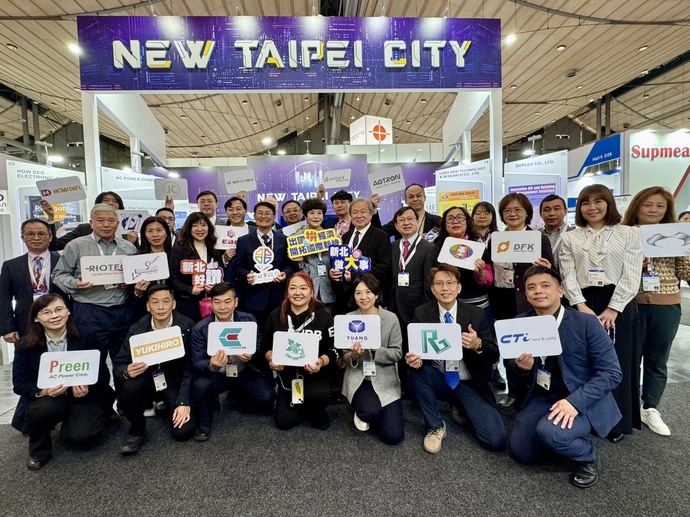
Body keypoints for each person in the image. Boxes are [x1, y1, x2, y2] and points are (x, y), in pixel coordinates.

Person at [509, 266, 622, 489]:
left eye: (545, 285)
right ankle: (558, 441)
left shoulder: (586, 323)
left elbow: (612, 373)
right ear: (526, 295)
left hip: (581, 399)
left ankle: (587, 456)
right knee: (521, 452)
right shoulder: (521, 322)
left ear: (560, 291)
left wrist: (574, 403)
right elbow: (512, 371)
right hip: (543, 396)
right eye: (531, 287)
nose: (538, 291)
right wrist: (522, 368)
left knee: (551, 433)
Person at [558, 184, 643, 443]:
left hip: (619, 302)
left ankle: (618, 422)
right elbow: (567, 274)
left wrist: (613, 308)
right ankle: (584, 413)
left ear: (609, 203)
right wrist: (581, 305)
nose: (592, 207)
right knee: (582, 361)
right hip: (581, 302)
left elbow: (632, 273)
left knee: (617, 362)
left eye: (598, 201)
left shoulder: (629, 233)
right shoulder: (571, 237)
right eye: (586, 203)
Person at [405, 265, 506, 454]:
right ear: (432, 289)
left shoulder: (475, 314)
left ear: (459, 288)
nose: (445, 288)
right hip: (439, 377)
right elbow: (417, 351)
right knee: (416, 373)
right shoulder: (422, 313)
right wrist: (415, 359)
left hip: (468, 381)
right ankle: (435, 427)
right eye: (439, 284)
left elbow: (494, 354)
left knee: (496, 441)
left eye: (450, 283)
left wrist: (477, 343)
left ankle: (460, 404)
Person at [12, 294, 115, 469]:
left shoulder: (87, 334)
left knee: (81, 437)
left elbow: (102, 372)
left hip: (82, 396)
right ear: (36, 318)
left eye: (59, 309)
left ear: (68, 311)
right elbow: (20, 384)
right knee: (43, 410)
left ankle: (85, 420)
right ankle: (39, 452)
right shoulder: (25, 345)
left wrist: (87, 384)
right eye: (46, 312)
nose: (54, 316)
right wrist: (43, 391)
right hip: (49, 397)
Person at [622, 187, 690, 436]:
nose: (653, 210)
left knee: (657, 359)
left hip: (666, 305)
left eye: (660, 206)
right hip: (631, 304)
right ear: (637, 206)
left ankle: (650, 407)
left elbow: (684, 271)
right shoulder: (624, 233)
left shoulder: (675, 234)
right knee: (629, 358)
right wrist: (633, 262)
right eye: (648, 204)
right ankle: (627, 406)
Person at [51, 203, 138, 367]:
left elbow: (135, 274)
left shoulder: (128, 247)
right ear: (91, 223)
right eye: (100, 220)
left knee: (125, 362)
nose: (106, 225)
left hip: (123, 310)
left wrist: (130, 283)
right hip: (89, 311)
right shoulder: (76, 245)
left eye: (111, 220)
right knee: (92, 364)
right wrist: (75, 283)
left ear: (117, 224)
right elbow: (58, 275)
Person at [113, 285, 196, 454]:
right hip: (147, 377)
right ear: (148, 306)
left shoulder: (186, 325)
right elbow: (119, 364)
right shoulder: (137, 329)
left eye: (166, 301)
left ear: (173, 304)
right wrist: (127, 370)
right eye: (155, 302)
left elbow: (190, 368)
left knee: (183, 432)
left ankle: (166, 405)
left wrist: (184, 402)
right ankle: (137, 429)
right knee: (129, 387)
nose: (160, 307)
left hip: (173, 379)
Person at [490, 193, 554, 409]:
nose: (513, 214)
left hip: (529, 301)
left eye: (518, 210)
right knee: (509, 348)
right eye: (507, 210)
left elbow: (551, 273)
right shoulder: (496, 239)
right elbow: (489, 271)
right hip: (502, 299)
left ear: (527, 213)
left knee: (532, 349)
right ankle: (514, 392)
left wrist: (547, 267)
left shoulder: (538, 238)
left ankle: (535, 393)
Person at [190, 283, 276, 441]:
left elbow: (259, 345)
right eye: (217, 302)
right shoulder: (200, 328)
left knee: (268, 397)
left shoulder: (248, 320)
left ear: (236, 302)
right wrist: (211, 364)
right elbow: (196, 361)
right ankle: (204, 423)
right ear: (211, 303)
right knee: (199, 387)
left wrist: (251, 354)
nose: (222, 307)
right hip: (215, 374)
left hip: (242, 370)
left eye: (227, 301)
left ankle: (235, 398)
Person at [264, 272, 339, 430]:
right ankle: (305, 405)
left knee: (319, 399)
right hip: (287, 378)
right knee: (283, 422)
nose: (297, 292)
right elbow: (266, 346)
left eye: (303, 288)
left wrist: (321, 362)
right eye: (293, 288)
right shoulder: (276, 315)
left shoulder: (324, 317)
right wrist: (271, 359)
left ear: (312, 292)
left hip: (316, 376)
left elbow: (334, 349)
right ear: (287, 292)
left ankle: (313, 405)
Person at [342, 274, 404, 445]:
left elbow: (397, 353)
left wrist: (375, 349)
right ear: (353, 296)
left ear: (376, 295)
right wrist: (354, 356)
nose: (363, 297)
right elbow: (345, 356)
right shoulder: (348, 318)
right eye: (358, 293)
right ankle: (362, 410)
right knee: (370, 412)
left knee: (393, 436)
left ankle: (375, 410)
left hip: (385, 377)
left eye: (368, 292)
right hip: (359, 376)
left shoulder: (390, 318)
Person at [0, 218, 65, 342]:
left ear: (50, 237)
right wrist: (7, 328)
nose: (36, 238)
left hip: (60, 320)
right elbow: (4, 298)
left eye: (41, 234)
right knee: (27, 354)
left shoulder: (63, 261)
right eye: (30, 234)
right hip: (24, 323)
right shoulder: (10, 266)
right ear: (23, 238)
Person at [234, 201, 296, 330]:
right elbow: (238, 267)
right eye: (260, 213)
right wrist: (247, 275)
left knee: (279, 331)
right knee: (257, 332)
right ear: (254, 216)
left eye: (267, 213)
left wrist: (285, 273)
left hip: (278, 296)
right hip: (254, 297)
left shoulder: (284, 239)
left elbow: (290, 264)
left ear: (274, 217)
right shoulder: (244, 241)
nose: (264, 216)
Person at [330, 198, 391, 314]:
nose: (359, 215)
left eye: (363, 212)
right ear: (350, 215)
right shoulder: (346, 236)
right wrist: (334, 273)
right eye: (355, 212)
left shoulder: (381, 236)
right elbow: (342, 262)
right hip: (345, 297)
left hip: (368, 297)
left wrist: (354, 276)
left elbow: (384, 267)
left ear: (371, 214)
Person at [168, 212, 224, 322]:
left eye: (203, 225)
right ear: (188, 228)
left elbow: (221, 273)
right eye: (195, 225)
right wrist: (190, 289)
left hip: (211, 302)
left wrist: (215, 288)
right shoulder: (179, 249)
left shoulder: (214, 248)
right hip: (187, 303)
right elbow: (172, 278)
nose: (200, 229)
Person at [44, 191, 137, 251]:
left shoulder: (128, 231)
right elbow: (55, 245)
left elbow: (136, 258)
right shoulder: (84, 229)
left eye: (114, 201)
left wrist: (130, 243)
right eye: (106, 200)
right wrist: (51, 219)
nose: (110, 203)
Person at [293, 198, 336, 312]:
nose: (316, 217)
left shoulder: (330, 236)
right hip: (307, 286)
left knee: (327, 319)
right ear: (305, 216)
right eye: (312, 213)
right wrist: (299, 261)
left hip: (328, 288)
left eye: (319, 213)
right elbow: (295, 266)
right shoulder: (298, 237)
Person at [131, 215, 173, 321]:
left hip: (173, 310)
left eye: (159, 230)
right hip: (145, 312)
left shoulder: (175, 256)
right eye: (150, 231)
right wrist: (137, 293)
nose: (155, 235)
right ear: (144, 234)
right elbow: (129, 293)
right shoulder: (136, 259)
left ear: (166, 233)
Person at [373, 183, 441, 239]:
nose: (415, 199)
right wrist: (373, 210)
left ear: (425, 198)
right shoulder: (398, 220)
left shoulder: (437, 221)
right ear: (405, 200)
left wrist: (428, 244)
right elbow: (378, 234)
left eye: (418, 196)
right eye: (411, 197)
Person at [539, 194, 574, 261]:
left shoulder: (574, 235)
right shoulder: (535, 236)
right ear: (540, 214)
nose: (552, 213)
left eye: (557, 209)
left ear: (565, 211)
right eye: (547, 210)